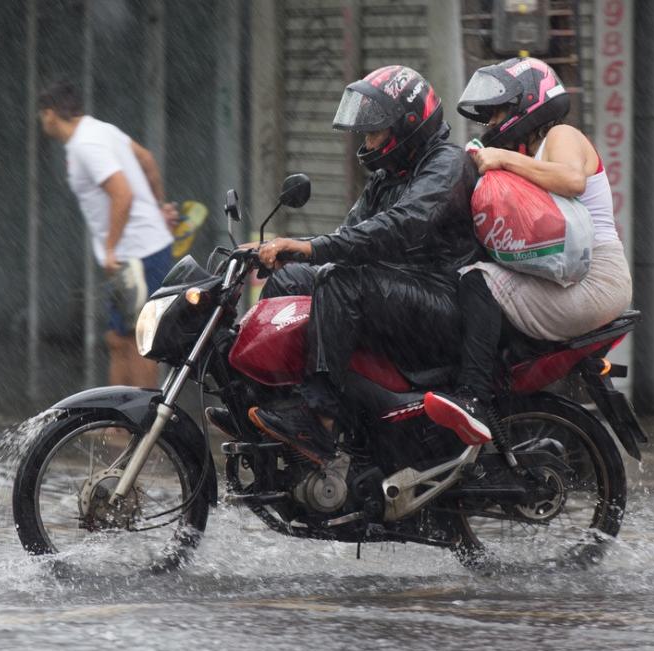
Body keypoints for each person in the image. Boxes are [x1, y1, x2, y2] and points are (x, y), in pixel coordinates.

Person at [243, 65, 483, 465]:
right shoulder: (387, 175)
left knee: (340, 281)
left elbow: (399, 226)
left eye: (375, 132)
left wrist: (312, 248)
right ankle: (276, 398)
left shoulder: (447, 165)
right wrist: (289, 250)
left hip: (441, 303)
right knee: (291, 279)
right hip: (395, 293)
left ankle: (319, 419)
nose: (369, 142)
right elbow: (349, 237)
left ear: (408, 125)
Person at [426, 58, 633, 444]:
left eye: (499, 112)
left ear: (528, 104)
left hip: (595, 280)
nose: (491, 124)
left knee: (477, 283)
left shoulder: (562, 136)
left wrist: (504, 159)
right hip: (566, 278)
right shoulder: (528, 155)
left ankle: (472, 399)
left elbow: (572, 180)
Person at [37, 80, 180, 388]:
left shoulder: (85, 145)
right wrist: (159, 207)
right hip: (138, 252)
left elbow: (122, 194)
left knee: (139, 340)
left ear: (50, 113)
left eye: (42, 114)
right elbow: (147, 160)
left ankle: (143, 421)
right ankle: (119, 423)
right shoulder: (100, 131)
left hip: (137, 254)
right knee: (118, 339)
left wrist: (111, 248)